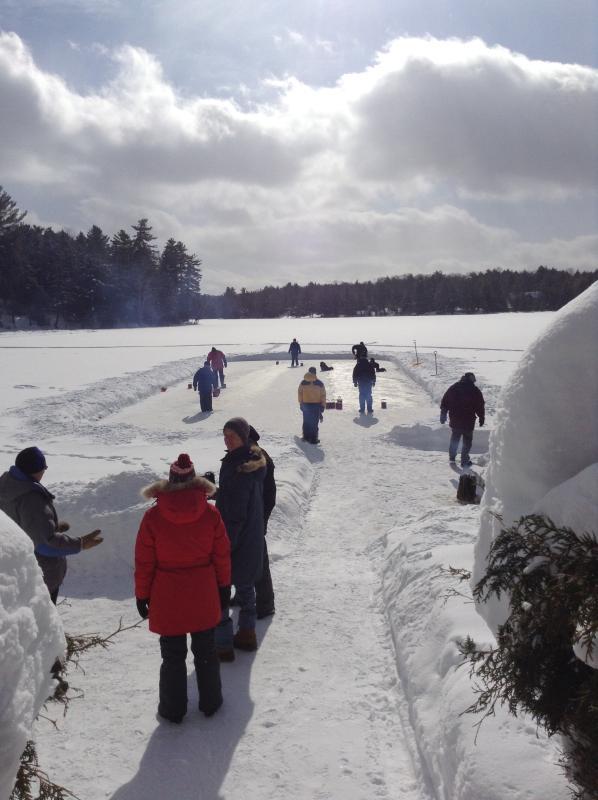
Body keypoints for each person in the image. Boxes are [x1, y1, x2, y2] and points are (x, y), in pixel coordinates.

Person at [135, 454, 231, 723]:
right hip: (203, 591)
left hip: (167, 594)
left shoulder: (153, 517)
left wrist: (142, 594)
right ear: (194, 480)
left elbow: (144, 561)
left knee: (172, 656)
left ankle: (172, 709)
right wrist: (224, 586)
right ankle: (211, 702)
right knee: (206, 651)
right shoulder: (211, 513)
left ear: (170, 480)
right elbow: (222, 555)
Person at [0, 447, 103, 604]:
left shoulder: (6, 485)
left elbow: (17, 522)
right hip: (39, 575)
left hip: (15, 571)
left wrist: (48, 527)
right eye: (44, 468)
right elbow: (45, 545)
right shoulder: (31, 498)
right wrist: (80, 544)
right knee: (42, 616)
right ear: (36, 470)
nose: (44, 471)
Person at [215, 418, 266, 659]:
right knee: (246, 587)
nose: (227, 440)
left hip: (235, 538)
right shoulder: (247, 462)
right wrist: (218, 493)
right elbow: (234, 497)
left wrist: (226, 544)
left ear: (243, 438)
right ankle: (247, 634)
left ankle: (223, 644)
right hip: (250, 536)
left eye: (232, 436)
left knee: (221, 590)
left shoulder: (240, 468)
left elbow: (235, 513)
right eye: (225, 435)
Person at [248, 425, 276, 619]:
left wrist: (261, 518)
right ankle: (244, 595)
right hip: (248, 516)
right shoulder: (244, 454)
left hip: (256, 517)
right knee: (245, 559)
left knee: (259, 562)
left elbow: (268, 494)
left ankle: (266, 604)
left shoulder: (258, 457)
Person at [440, 372, 485, 467]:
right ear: (471, 379)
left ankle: (452, 458)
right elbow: (480, 406)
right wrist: (481, 417)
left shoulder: (454, 387)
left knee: (455, 439)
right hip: (468, 422)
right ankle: (464, 460)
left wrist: (443, 414)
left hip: (456, 420)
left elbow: (445, 401)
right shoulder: (474, 390)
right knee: (467, 442)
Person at [298, 367, 326, 444]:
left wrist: (301, 403)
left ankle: (306, 437)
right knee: (314, 423)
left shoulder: (303, 382)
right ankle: (313, 439)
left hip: (305, 405)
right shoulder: (320, 383)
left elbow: (300, 393)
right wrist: (323, 405)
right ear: (315, 373)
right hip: (316, 405)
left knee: (306, 421)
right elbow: (323, 395)